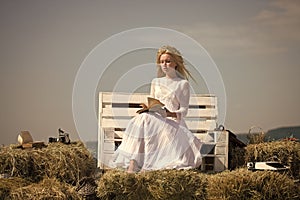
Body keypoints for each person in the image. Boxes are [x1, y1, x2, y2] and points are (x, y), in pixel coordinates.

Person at [112, 45, 203, 172]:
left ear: (175, 63)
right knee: (143, 117)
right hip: (154, 121)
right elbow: (152, 102)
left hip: (173, 124)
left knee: (144, 119)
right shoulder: (156, 82)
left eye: (168, 61)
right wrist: (149, 108)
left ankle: (134, 164)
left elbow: (184, 111)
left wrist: (168, 113)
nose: (164, 64)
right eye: (161, 62)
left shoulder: (183, 84)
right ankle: (134, 161)